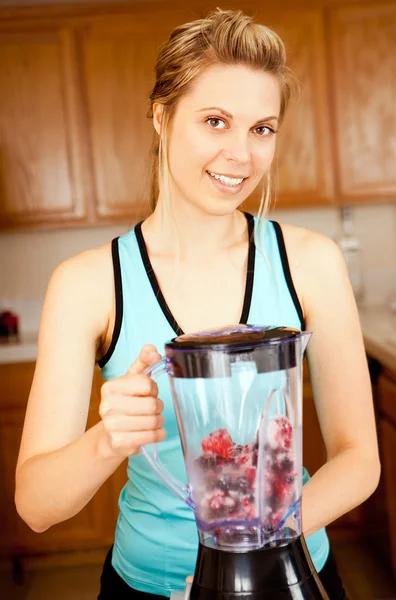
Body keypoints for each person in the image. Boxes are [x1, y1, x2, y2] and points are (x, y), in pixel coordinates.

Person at [15, 9, 380, 600]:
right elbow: (36, 507)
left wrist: (257, 545)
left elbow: (360, 458)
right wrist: (107, 438)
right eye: (215, 121)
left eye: (262, 128)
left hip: (291, 575)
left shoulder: (311, 262)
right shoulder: (87, 284)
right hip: (147, 586)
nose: (241, 155)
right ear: (162, 118)